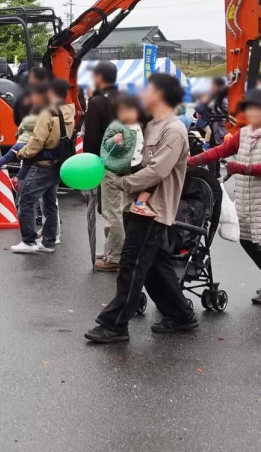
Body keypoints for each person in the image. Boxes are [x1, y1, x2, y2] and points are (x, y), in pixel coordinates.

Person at [85, 73, 195, 343]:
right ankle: (181, 315)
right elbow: (132, 158)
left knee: (131, 265)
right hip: (138, 204)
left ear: (159, 94)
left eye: (148, 88)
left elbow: (157, 171)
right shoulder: (149, 125)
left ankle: (115, 325)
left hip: (152, 209)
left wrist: (123, 183)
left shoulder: (174, 130)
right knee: (156, 267)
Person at [188, 88, 261, 304]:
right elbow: (220, 151)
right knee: (245, 238)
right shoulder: (245, 133)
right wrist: (191, 161)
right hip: (247, 197)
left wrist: (239, 167)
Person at [9, 79, 74, 254]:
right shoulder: (69, 111)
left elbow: (37, 141)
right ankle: (48, 242)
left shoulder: (47, 113)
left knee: (26, 202)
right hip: (58, 164)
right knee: (50, 204)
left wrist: (21, 153)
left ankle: (28, 241)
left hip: (42, 164)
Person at [82, 61, 122, 271]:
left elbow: (91, 139)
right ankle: (112, 249)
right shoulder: (126, 99)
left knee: (111, 211)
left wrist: (89, 167)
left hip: (108, 162)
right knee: (122, 210)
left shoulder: (98, 103)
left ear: (99, 77)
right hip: (131, 162)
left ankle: (114, 257)